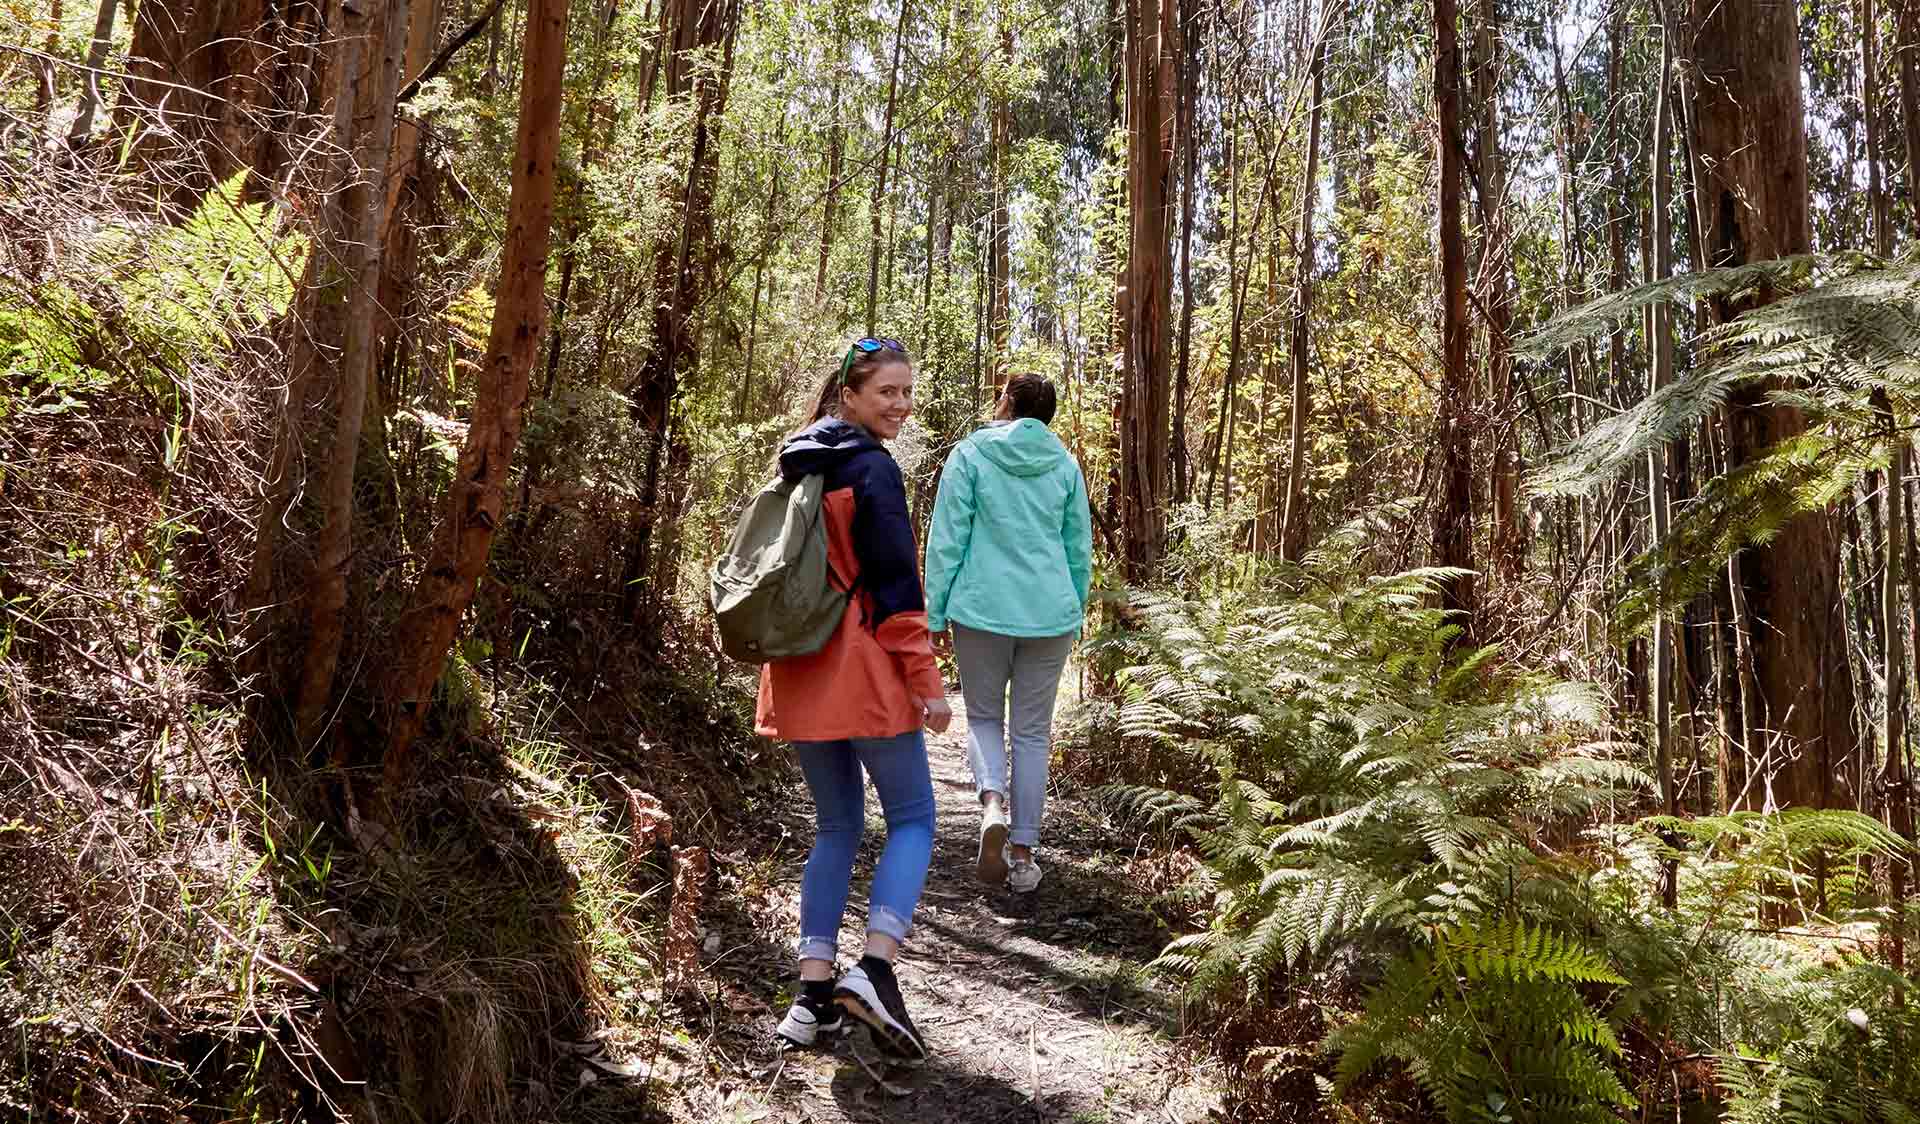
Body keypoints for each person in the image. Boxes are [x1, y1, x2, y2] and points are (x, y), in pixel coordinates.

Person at [759, 337, 952, 1063]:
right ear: (850, 396)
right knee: (913, 818)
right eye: (886, 393)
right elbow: (897, 588)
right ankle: (872, 969)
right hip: (865, 669)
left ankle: (811, 999)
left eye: (906, 392)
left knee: (836, 825)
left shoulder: (798, 460)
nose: (900, 405)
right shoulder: (871, 469)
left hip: (801, 670)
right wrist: (927, 685)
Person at [923, 373, 1092, 894]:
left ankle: (992, 801)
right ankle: (1023, 855)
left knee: (985, 716)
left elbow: (948, 536)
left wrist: (934, 614)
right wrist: (1075, 607)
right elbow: (1077, 548)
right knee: (1033, 733)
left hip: (982, 610)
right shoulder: (1064, 465)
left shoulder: (970, 455)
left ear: (1008, 405)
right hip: (1050, 615)